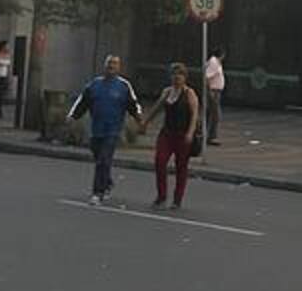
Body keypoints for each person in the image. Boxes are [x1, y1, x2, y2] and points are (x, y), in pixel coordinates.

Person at [68, 55, 142, 205]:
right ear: (104, 66)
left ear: (119, 67)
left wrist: (138, 117)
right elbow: (82, 102)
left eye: (114, 64)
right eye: (109, 63)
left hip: (113, 129)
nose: (111, 66)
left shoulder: (124, 86)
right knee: (99, 158)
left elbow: (133, 104)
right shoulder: (94, 85)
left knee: (103, 160)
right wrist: (73, 116)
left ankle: (98, 192)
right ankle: (107, 182)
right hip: (96, 129)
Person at [141, 62, 200, 210]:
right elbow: (157, 108)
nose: (177, 77)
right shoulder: (167, 92)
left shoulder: (189, 94)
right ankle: (161, 196)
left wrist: (190, 133)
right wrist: (145, 123)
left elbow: (194, 115)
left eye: (180, 74)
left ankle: (177, 199)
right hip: (167, 134)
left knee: (181, 167)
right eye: (174, 74)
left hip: (182, 135)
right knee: (160, 161)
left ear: (185, 77)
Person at [204, 48, 225, 145]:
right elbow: (207, 77)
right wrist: (209, 91)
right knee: (215, 114)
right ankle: (211, 136)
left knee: (211, 113)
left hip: (216, 91)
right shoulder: (214, 63)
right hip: (213, 91)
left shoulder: (216, 62)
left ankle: (208, 135)